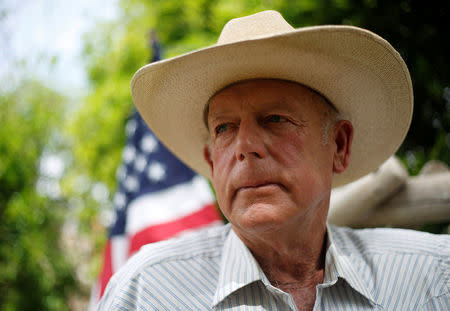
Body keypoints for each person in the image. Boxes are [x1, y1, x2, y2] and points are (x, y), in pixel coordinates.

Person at [97, 10, 449, 310]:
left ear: (339, 146)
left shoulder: (432, 279)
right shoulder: (146, 293)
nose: (245, 146)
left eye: (275, 119)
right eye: (224, 128)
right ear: (211, 161)